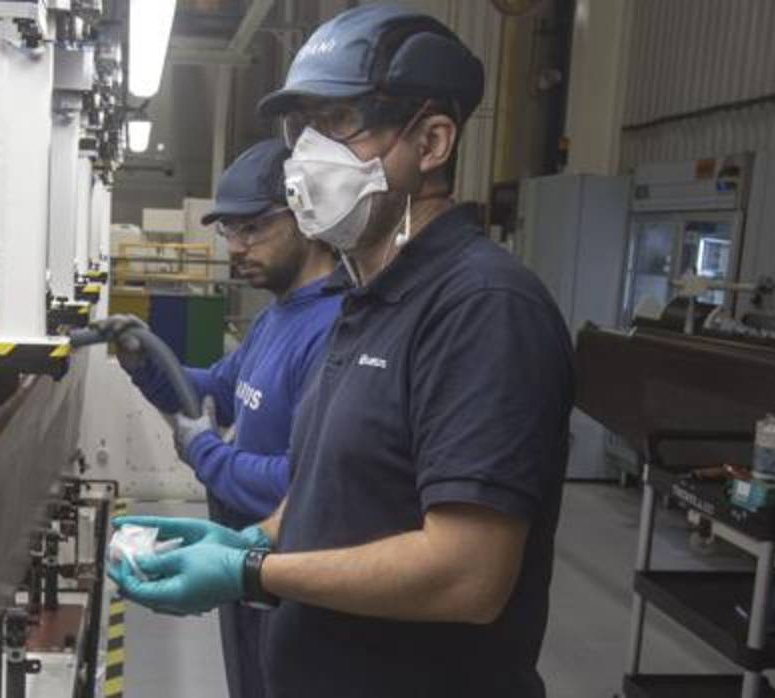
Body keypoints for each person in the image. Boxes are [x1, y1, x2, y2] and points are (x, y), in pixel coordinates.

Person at [109, 5, 575, 697]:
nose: (306, 157)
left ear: (433, 140)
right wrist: (249, 539)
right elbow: (331, 494)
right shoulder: (365, 301)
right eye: (302, 130)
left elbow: (468, 574)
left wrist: (251, 574)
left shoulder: (483, 308)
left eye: (339, 123)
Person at [95, 138, 341, 698]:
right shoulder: (278, 316)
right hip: (241, 555)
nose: (234, 247)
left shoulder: (332, 328)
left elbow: (299, 484)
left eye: (251, 228)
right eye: (229, 231)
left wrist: (205, 453)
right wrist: (146, 360)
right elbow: (218, 394)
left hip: (290, 574)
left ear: (304, 215)